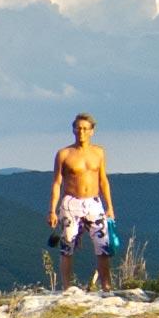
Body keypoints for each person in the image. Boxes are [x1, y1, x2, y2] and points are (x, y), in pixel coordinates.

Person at [48, 113, 115, 290]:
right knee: (67, 245)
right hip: (71, 203)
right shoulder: (64, 154)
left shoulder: (99, 152)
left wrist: (109, 206)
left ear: (92, 131)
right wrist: (52, 210)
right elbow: (57, 182)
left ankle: (106, 286)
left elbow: (103, 180)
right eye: (78, 128)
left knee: (103, 246)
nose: (81, 132)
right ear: (73, 129)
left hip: (93, 202)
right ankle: (67, 288)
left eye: (85, 128)